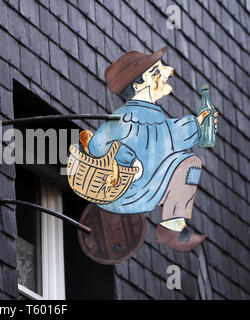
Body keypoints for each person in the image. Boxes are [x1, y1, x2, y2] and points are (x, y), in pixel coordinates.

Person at [81, 46, 218, 252]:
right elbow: (97, 146)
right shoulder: (126, 117)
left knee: (188, 162)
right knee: (188, 163)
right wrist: (124, 161)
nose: (168, 72)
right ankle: (171, 228)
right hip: (129, 191)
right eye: (160, 69)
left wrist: (198, 124)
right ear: (144, 81)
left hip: (145, 188)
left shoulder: (151, 115)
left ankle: (172, 226)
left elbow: (167, 133)